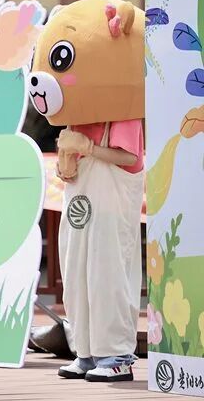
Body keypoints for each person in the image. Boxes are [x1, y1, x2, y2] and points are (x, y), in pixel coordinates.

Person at [55, 120, 144, 382]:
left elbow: (129, 157)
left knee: (106, 275)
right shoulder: (77, 113)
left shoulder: (122, 109)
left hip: (111, 204)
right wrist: (65, 163)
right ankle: (86, 353)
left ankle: (116, 357)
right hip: (80, 203)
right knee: (75, 276)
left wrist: (88, 148)